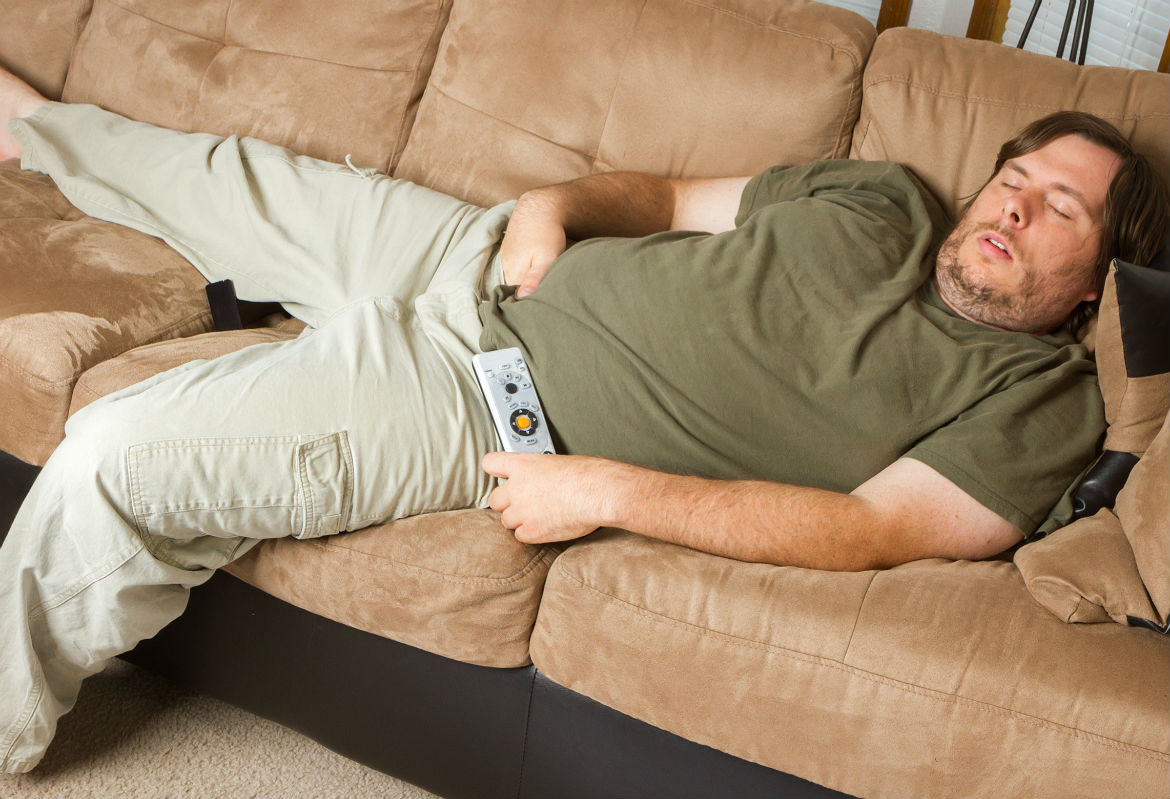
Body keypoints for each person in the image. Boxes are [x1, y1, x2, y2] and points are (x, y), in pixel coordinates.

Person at [0, 67, 1166, 773]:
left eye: (1061, 207)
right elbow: (663, 197)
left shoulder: (1037, 398)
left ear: (1098, 280)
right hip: (473, 252)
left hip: (476, 394)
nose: (1014, 206)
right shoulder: (884, 196)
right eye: (1014, 178)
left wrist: (605, 489)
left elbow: (870, 529)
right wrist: (553, 207)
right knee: (210, 171)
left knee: (117, 456)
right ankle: (30, 126)